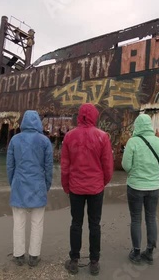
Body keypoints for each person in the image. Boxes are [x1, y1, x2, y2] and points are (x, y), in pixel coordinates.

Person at [61, 103, 114, 276]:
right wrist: (101, 182)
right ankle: (94, 261)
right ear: (94, 116)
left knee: (76, 223)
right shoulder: (102, 136)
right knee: (95, 224)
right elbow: (107, 166)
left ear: (79, 116)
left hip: (76, 187)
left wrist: (66, 185)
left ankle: (74, 260)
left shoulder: (69, 136)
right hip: (96, 187)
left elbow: (65, 165)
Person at [6, 110, 53, 267]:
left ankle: (19, 255)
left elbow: (10, 165)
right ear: (38, 122)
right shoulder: (44, 141)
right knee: (37, 222)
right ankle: (34, 256)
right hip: (38, 184)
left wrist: (12, 182)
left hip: (19, 184)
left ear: (23, 122)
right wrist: (46, 185)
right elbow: (48, 167)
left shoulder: (15, 140)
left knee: (18, 222)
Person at [122, 113, 159, 265]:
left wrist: (136, 173)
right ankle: (149, 252)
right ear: (150, 126)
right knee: (151, 217)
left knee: (136, 218)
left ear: (137, 125)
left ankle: (135, 253)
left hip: (135, 186)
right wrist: (153, 174)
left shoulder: (133, 142)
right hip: (154, 187)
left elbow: (126, 165)